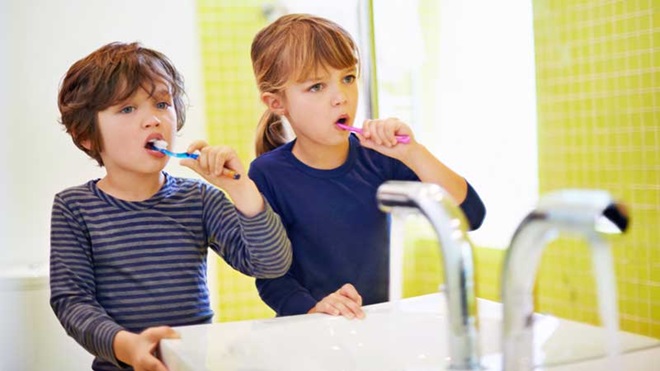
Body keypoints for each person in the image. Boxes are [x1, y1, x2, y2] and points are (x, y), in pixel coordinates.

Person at [50, 42, 292, 371]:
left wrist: (240, 188)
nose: (153, 120)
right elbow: (72, 303)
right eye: (127, 109)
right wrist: (128, 347)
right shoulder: (74, 208)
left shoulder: (199, 199)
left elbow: (270, 264)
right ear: (87, 136)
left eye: (162, 103)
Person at [248, 14, 486, 320]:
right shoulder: (267, 174)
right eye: (317, 86)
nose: (341, 98)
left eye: (348, 78)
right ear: (276, 102)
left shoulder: (380, 158)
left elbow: (470, 214)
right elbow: (271, 277)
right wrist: (314, 308)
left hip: (377, 326)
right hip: (308, 333)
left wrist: (412, 153)